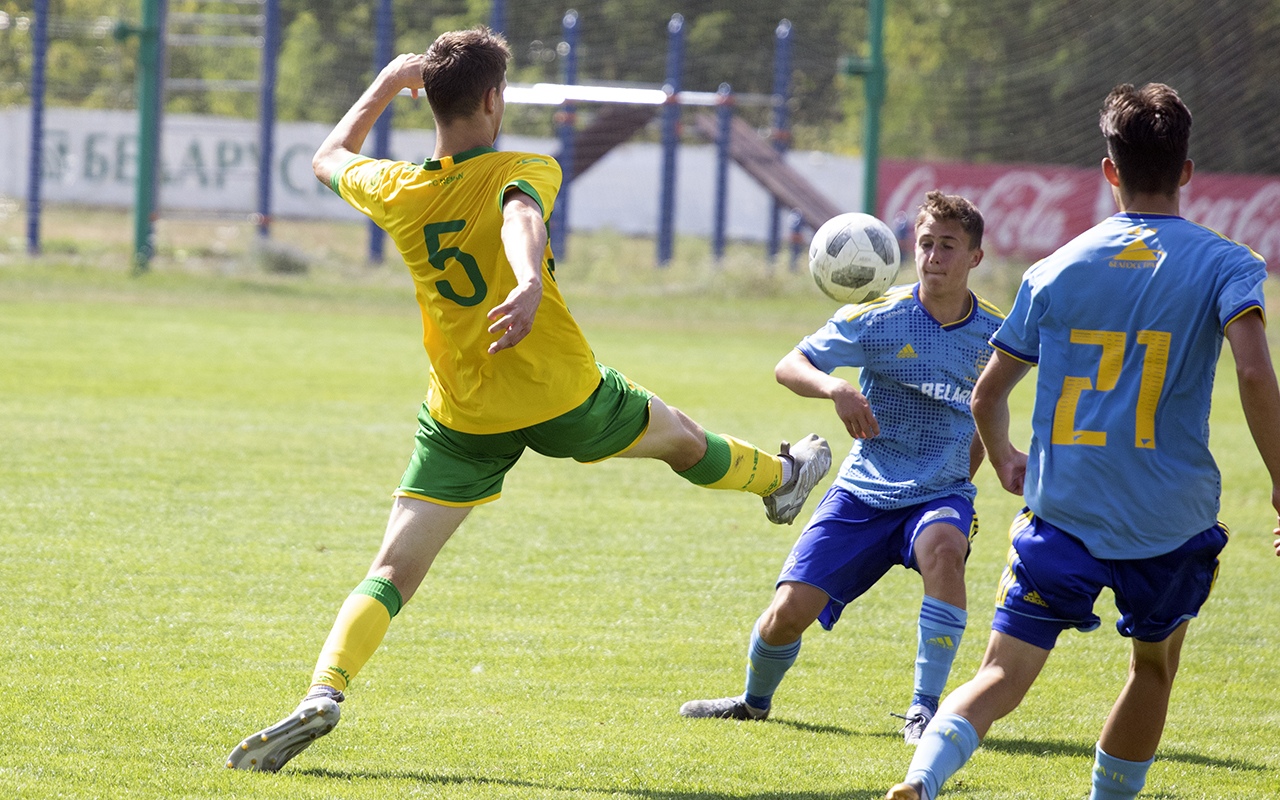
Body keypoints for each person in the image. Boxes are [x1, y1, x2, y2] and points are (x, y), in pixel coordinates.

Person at [225, 26, 833, 773]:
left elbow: (326, 157)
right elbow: (520, 214)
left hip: (464, 412)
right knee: (678, 436)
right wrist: (526, 281)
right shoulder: (525, 166)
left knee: (392, 569)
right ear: (493, 99)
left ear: (430, 100)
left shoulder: (398, 188)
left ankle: (325, 690)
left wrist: (386, 83)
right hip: (559, 391)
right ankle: (782, 479)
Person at [886, 83, 1280, 800]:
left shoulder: (1056, 267)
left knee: (1000, 673)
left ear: (1109, 170)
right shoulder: (1227, 262)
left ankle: (921, 778)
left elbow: (987, 395)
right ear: (1187, 170)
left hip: (1061, 511)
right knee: (1151, 669)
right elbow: (1254, 372)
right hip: (1168, 520)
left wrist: (1004, 458)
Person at [679, 191, 1003, 744]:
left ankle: (924, 710)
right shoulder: (878, 317)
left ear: (975, 256)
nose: (933, 256)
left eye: (948, 246)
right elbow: (790, 364)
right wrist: (836, 388)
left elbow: (992, 406)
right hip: (864, 490)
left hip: (940, 493)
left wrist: (961, 483)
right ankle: (754, 703)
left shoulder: (997, 332)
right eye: (926, 243)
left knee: (945, 551)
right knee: (785, 615)